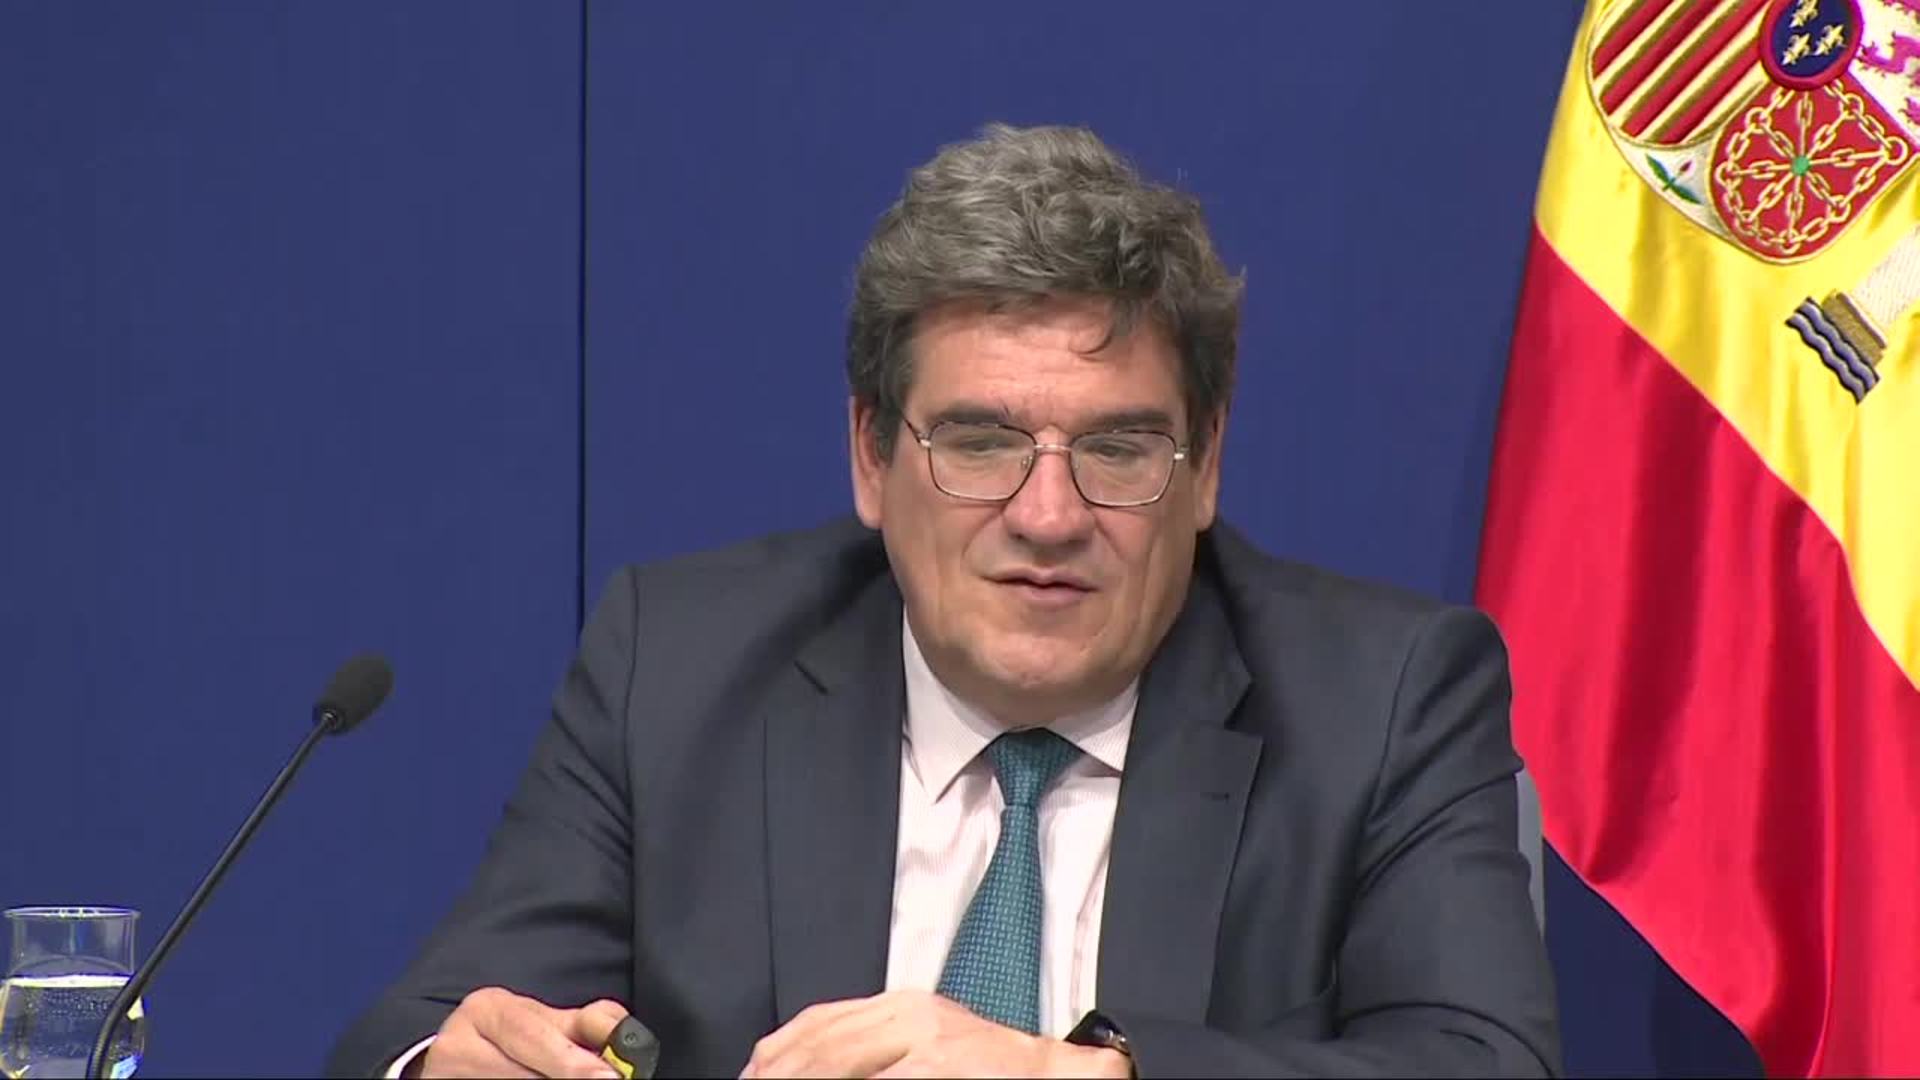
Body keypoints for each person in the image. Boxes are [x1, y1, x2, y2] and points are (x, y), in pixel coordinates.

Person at [326, 123, 1560, 1079]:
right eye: (980, 443)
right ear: (872, 457)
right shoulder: (682, 667)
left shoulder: (1382, 700)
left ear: (1206, 468)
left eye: (1118, 449)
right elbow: (422, 1027)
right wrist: (449, 1062)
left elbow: (1483, 1064)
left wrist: (1086, 1076)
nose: (1048, 514)